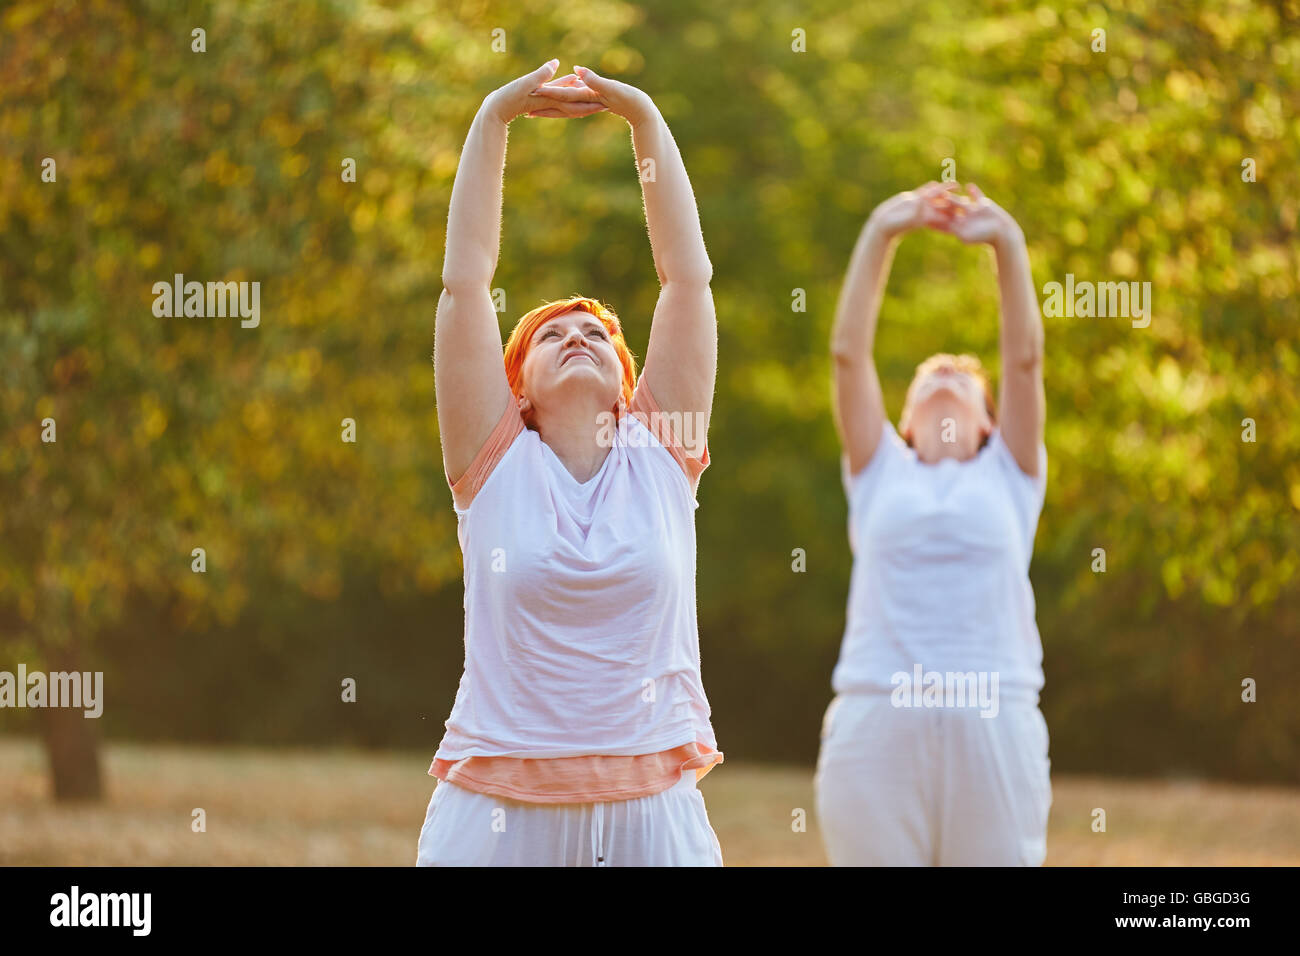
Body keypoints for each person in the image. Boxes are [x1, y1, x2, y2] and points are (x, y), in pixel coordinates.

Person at [417, 60, 723, 866]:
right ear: (515, 390)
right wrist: (493, 121)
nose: (578, 336)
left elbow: (687, 283)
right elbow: (464, 287)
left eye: (596, 334)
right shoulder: (493, 463)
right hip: (496, 818)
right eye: (551, 334)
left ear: (629, 383)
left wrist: (646, 122)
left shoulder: (662, 451)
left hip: (652, 816)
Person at [816, 181, 1051, 865]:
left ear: (987, 422)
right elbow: (847, 355)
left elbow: (1025, 359)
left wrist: (1008, 245)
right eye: (927, 376)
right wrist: (882, 230)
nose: (945, 370)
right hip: (876, 719)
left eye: (962, 377)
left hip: (997, 715)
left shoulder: (1011, 472)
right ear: (906, 420)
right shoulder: (878, 469)